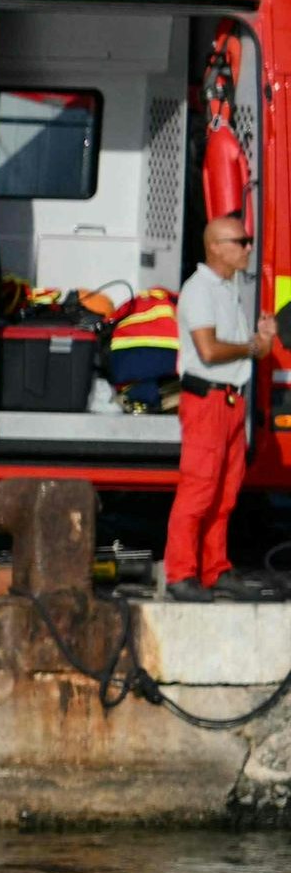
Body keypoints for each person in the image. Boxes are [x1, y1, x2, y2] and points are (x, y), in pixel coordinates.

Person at [165, 213, 272, 601]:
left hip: (229, 400)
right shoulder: (200, 290)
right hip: (208, 400)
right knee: (198, 490)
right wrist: (250, 347)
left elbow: (241, 349)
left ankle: (215, 569)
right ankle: (180, 574)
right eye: (240, 242)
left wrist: (259, 341)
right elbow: (208, 351)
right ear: (214, 247)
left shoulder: (228, 289)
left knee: (225, 493)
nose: (248, 248)